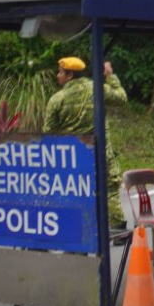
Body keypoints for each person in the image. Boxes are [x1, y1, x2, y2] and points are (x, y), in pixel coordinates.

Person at [44, 57, 127, 228]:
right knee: (110, 189)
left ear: (70, 75)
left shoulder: (57, 99)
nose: (58, 76)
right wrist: (110, 76)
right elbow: (121, 98)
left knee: (75, 192)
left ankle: (77, 228)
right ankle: (117, 229)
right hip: (100, 153)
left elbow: (48, 133)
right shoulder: (97, 89)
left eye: (60, 72)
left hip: (72, 158)